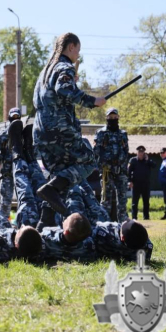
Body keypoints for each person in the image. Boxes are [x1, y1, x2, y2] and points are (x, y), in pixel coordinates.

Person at [33, 33, 106, 220]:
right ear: (71, 47)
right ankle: (50, 190)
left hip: (41, 130)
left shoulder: (46, 70)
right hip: (60, 129)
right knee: (88, 160)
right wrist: (93, 101)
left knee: (60, 177)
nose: (78, 55)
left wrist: (71, 83)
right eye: (78, 50)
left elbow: (54, 92)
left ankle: (45, 222)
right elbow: (64, 89)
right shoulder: (65, 67)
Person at [0, 108, 21, 220]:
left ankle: (23, 223)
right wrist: (2, 162)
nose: (15, 119)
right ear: (9, 118)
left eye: (17, 117)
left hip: (21, 172)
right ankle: (3, 224)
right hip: (7, 174)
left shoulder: (23, 134)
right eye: (13, 117)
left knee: (24, 199)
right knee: (5, 202)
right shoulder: (2, 134)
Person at [128, 145, 155, 220]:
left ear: (144, 153)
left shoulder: (147, 161)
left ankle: (146, 217)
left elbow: (154, 165)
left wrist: (148, 160)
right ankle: (134, 217)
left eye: (142, 152)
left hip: (145, 184)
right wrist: (129, 181)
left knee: (146, 202)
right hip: (136, 184)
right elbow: (128, 172)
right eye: (139, 152)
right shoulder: (133, 160)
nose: (141, 153)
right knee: (134, 202)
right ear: (137, 153)